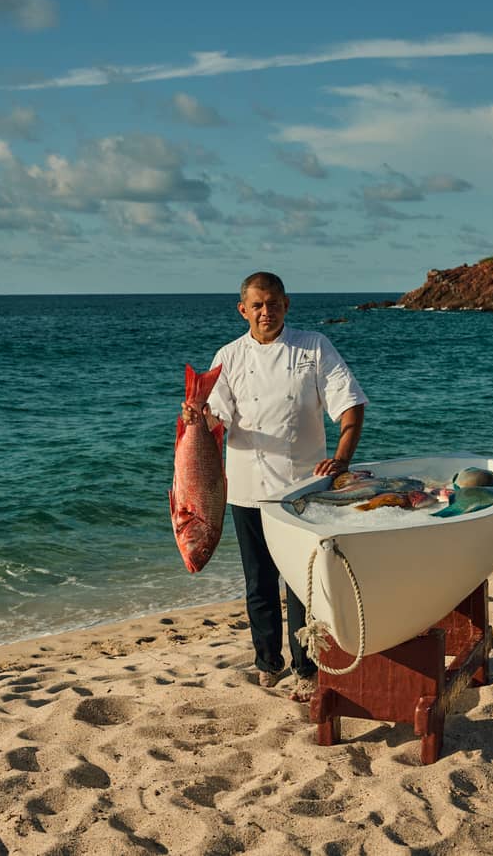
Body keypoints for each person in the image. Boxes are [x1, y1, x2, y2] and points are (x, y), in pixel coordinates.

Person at [183, 271, 368, 702]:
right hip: (247, 487)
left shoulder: (314, 347)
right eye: (258, 305)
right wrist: (197, 418)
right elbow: (218, 418)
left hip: (303, 490)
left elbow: (351, 405)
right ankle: (268, 661)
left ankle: (307, 666)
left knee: (303, 582)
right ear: (242, 310)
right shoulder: (228, 356)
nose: (266, 312)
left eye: (274, 303)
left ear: (287, 305)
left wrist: (341, 459)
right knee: (258, 583)